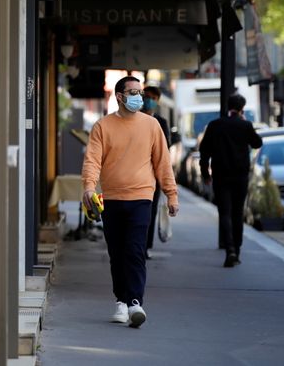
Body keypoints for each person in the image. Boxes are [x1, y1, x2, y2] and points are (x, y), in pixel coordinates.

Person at [82, 76, 179, 328]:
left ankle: (135, 302)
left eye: (140, 91)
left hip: (141, 198)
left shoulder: (152, 125)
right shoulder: (102, 127)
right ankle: (121, 301)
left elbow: (163, 162)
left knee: (135, 250)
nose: (139, 96)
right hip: (112, 199)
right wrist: (89, 188)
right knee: (117, 253)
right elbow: (92, 160)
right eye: (133, 91)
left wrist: (171, 194)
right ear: (120, 97)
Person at [198, 94, 262, 267]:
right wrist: (245, 123)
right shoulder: (245, 125)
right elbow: (257, 143)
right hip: (240, 176)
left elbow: (204, 151)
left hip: (221, 176)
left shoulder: (215, 125)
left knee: (224, 213)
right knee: (237, 213)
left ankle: (230, 250)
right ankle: (237, 250)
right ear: (242, 108)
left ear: (228, 107)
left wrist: (205, 173)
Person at [140, 86, 170, 259]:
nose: (149, 99)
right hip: (136, 174)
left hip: (154, 175)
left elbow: (165, 148)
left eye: (152, 97)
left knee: (150, 212)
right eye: (147, 96)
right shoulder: (134, 118)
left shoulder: (161, 122)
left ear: (157, 101)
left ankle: (145, 247)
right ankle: (136, 246)